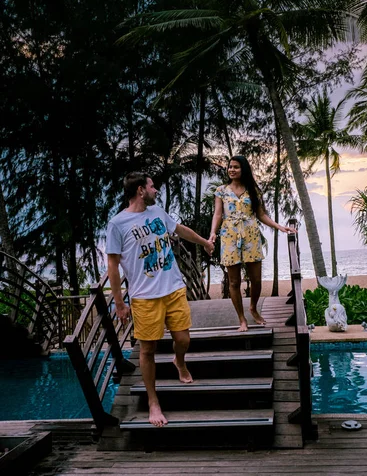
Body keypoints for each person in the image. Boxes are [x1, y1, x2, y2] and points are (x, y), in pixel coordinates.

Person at [106, 172, 214, 428]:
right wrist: (120, 303)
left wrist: (204, 242)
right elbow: (112, 264)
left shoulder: (158, 213)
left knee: (183, 339)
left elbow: (181, 230)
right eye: (152, 187)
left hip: (173, 287)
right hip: (144, 297)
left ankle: (179, 360)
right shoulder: (117, 224)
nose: (156, 191)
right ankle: (154, 402)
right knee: (147, 350)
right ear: (141, 190)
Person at [209, 155, 296, 332]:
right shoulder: (221, 191)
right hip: (229, 236)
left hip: (251, 235)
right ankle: (242, 319)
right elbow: (218, 214)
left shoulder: (253, 191)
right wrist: (212, 234)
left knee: (256, 280)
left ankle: (253, 308)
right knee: (234, 282)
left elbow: (261, 215)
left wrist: (279, 227)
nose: (231, 170)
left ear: (244, 170)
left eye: (236, 167)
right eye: (230, 167)